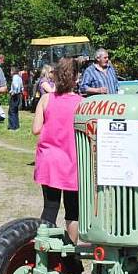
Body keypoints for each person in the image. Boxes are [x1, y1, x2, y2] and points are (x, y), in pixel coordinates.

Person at [33, 58, 82, 244]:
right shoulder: (82, 104)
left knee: (50, 207)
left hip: (49, 160)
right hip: (72, 161)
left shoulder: (46, 99)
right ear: (75, 78)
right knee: (72, 211)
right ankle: (70, 254)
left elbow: (36, 129)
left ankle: (44, 249)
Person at [8, 66, 23, 130]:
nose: (10, 72)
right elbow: (22, 87)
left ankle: (12, 126)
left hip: (15, 95)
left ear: (13, 71)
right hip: (19, 95)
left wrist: (14, 92)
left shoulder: (14, 77)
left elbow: (16, 86)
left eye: (11, 71)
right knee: (16, 111)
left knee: (11, 111)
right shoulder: (19, 77)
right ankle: (16, 125)